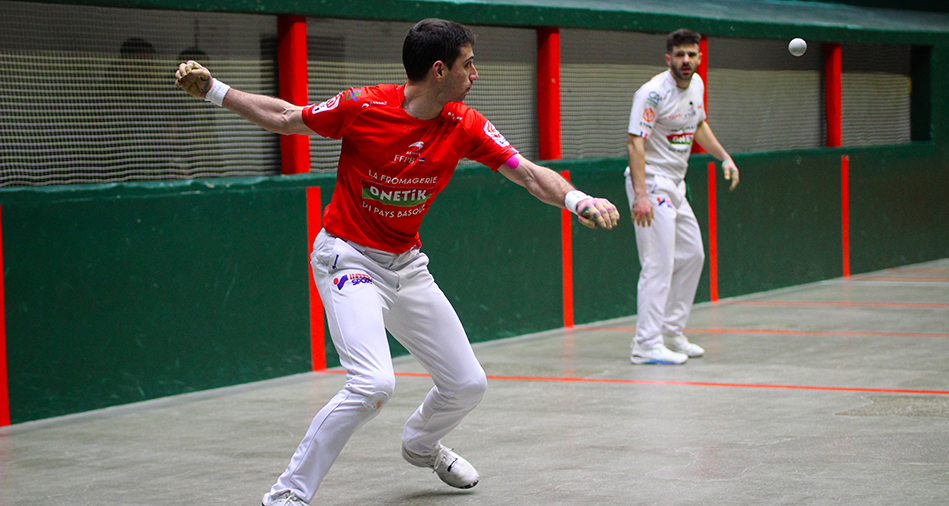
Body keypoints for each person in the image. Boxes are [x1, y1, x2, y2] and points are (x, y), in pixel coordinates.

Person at [174, 18, 620, 506]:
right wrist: (215, 89)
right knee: (372, 383)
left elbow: (529, 174)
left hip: (405, 265)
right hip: (347, 257)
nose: (476, 74)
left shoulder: (464, 125)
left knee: (467, 384)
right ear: (438, 71)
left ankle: (421, 445)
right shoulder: (362, 106)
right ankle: (286, 496)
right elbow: (286, 117)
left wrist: (577, 200)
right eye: (468, 64)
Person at [625, 28, 739, 365]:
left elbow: (698, 124)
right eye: (679, 55)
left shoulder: (697, 86)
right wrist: (641, 195)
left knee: (692, 255)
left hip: (676, 184)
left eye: (691, 54)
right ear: (668, 58)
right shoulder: (652, 94)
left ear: (699, 57)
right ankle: (645, 343)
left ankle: (671, 332)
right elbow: (635, 142)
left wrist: (724, 157)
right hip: (652, 185)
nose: (685, 61)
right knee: (659, 263)